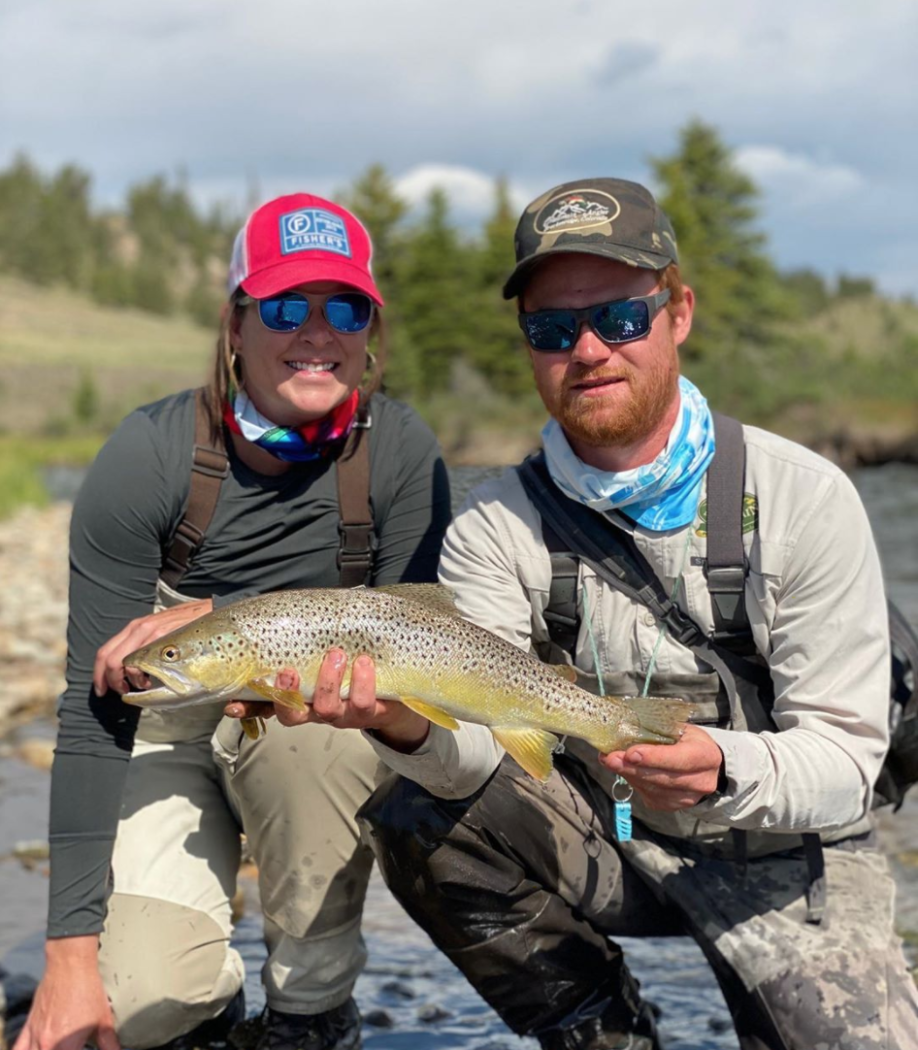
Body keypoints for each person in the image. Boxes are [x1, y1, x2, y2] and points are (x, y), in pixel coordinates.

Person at [270, 178, 918, 1049]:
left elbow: (846, 759)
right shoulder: (495, 524)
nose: (587, 349)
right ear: (529, 344)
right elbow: (479, 757)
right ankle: (601, 1034)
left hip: (790, 855)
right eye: (551, 328)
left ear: (678, 312)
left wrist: (719, 765)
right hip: (614, 839)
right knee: (419, 818)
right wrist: (401, 727)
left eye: (619, 318)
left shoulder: (803, 497)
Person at [16, 192, 451, 1050]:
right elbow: (87, 711)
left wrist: (234, 616)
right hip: (167, 730)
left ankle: (310, 1007)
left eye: (345, 308)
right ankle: (205, 997)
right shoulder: (148, 456)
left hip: (312, 736)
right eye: (287, 305)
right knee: (138, 1004)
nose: (317, 332)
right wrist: (66, 959)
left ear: (371, 331)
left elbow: (424, 654)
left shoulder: (400, 453)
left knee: (314, 735)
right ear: (236, 323)